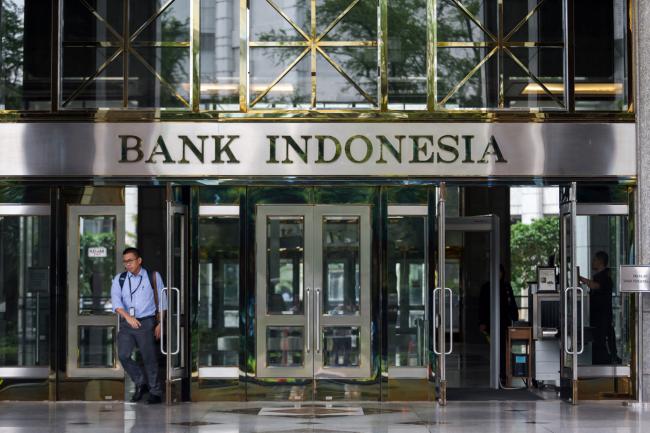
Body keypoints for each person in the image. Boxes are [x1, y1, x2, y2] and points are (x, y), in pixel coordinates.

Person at [111, 247, 166, 404]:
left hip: (147, 321)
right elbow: (116, 303)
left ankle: (155, 392)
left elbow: (162, 301)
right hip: (128, 322)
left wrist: (160, 323)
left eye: (130, 261)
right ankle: (141, 383)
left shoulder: (152, 276)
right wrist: (128, 318)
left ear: (139, 260)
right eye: (125, 262)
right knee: (123, 355)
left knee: (149, 358)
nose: (127, 264)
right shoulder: (119, 279)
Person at [579, 251, 619, 365]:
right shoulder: (600, 276)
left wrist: (581, 278)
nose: (593, 262)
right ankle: (610, 357)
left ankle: (608, 359)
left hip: (602, 314)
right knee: (604, 336)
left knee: (602, 338)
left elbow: (595, 286)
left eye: (595, 260)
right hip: (600, 314)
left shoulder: (605, 277)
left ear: (600, 262)